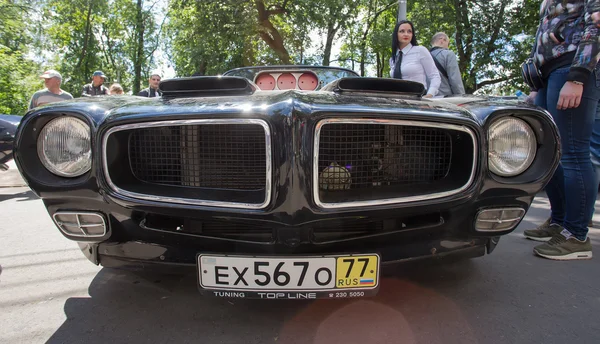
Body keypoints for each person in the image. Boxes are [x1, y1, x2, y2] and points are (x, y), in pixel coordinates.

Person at [523, 0, 600, 260]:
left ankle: (576, 236)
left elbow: (596, 25)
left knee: (573, 154)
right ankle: (559, 221)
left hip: (572, 67)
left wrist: (578, 76)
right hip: (548, 74)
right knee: (550, 155)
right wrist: (536, 84)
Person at [389, 20, 441, 98]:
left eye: (409, 31)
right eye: (402, 31)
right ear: (396, 34)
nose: (406, 34)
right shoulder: (393, 59)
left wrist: (429, 94)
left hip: (417, 98)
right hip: (399, 99)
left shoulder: (420, 51)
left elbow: (434, 75)